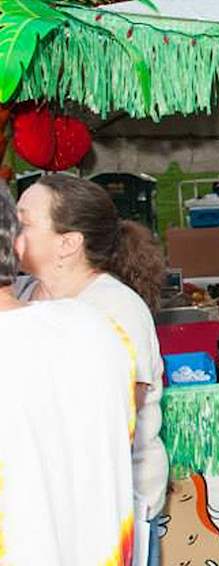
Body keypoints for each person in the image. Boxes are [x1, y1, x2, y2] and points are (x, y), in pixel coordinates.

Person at [12, 174, 170, 566]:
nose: (10, 230)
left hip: (108, 518)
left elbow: (111, 424)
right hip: (48, 514)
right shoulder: (19, 293)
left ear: (68, 243)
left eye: (24, 221)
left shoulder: (116, 311)